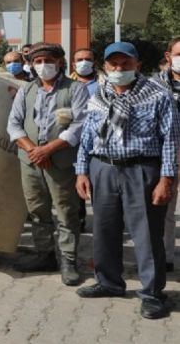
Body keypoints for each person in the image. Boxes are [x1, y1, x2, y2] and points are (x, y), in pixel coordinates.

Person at [75, 42, 178, 320]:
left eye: (125, 64)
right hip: (103, 169)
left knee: (146, 234)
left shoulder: (158, 95)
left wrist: (166, 179)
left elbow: (170, 140)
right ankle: (109, 282)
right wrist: (82, 170)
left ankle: (153, 294)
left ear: (137, 65)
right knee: (104, 229)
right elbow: (87, 135)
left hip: (141, 171)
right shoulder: (98, 94)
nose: (119, 69)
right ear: (104, 67)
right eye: (113, 64)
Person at [7, 43, 89, 285]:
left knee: (66, 211)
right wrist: (34, 150)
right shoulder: (27, 89)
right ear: (31, 64)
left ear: (60, 62)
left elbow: (80, 125)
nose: (43, 66)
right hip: (31, 162)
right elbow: (14, 124)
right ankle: (44, 255)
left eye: (48, 60)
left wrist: (48, 149)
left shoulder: (75, 89)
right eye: (38, 61)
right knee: (37, 210)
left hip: (61, 161)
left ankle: (68, 259)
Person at [153, 36, 180, 273]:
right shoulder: (153, 85)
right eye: (179, 55)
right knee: (165, 211)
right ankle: (165, 257)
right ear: (168, 56)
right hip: (166, 155)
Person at [70, 47, 103, 231]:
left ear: (94, 62)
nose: (83, 63)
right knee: (77, 183)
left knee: (98, 185)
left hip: (97, 144)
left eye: (87, 59)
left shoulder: (103, 85)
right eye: (79, 59)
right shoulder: (67, 85)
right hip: (73, 142)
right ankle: (79, 219)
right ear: (73, 64)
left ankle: (104, 221)